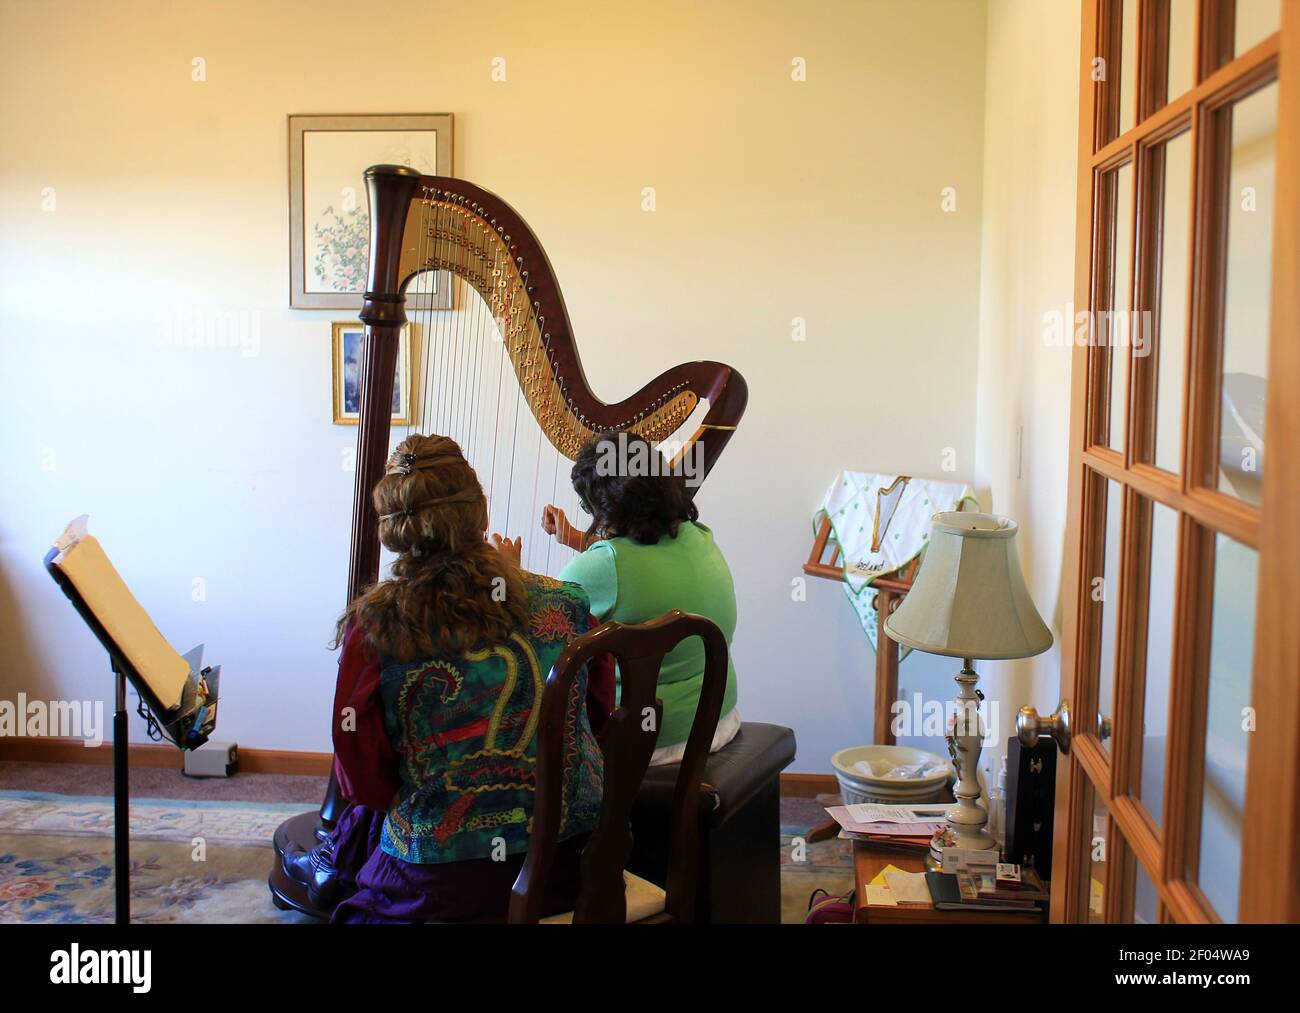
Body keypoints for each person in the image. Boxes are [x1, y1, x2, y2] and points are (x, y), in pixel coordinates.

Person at [283, 433, 605, 923]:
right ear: (481, 511)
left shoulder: (373, 629)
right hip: (571, 867)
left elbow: (363, 776)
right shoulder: (570, 604)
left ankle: (332, 867)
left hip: (440, 885)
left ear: (392, 527)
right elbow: (597, 719)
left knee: (368, 834)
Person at [542, 430, 740, 766]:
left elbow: (541, 626)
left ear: (607, 507)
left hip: (650, 741)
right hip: (716, 721)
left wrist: (506, 568)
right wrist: (577, 539)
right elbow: (639, 570)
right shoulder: (698, 536)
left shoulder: (603, 568)